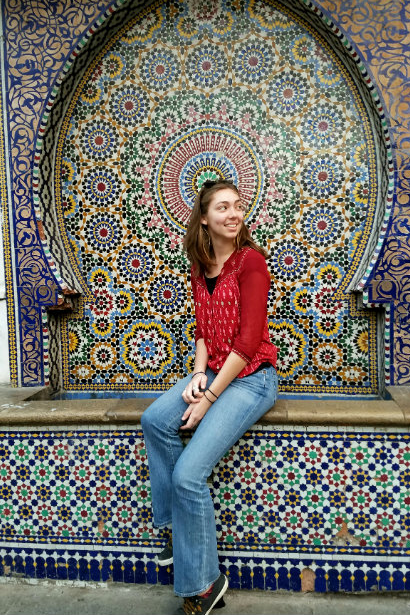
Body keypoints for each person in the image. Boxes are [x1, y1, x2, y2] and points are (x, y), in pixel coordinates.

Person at [141, 179, 278, 615]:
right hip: (217, 372)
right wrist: (198, 375)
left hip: (252, 379)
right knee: (154, 420)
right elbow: (203, 332)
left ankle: (203, 582)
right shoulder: (202, 267)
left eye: (238, 206)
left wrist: (209, 398)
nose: (234, 214)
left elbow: (249, 340)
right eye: (223, 208)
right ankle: (175, 531)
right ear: (204, 218)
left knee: (187, 476)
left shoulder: (251, 263)